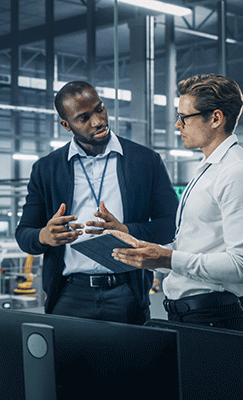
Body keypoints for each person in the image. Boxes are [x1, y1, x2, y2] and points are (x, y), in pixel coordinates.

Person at [111, 74, 243, 332]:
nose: (178, 125)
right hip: (188, 316)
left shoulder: (239, 172)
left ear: (216, 118)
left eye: (184, 117)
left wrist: (168, 259)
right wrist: (150, 252)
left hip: (212, 317)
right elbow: (197, 243)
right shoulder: (208, 168)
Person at [15, 81, 179, 325]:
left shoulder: (145, 161)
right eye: (83, 118)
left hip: (127, 293)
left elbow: (171, 224)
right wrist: (44, 236)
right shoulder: (46, 169)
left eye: (100, 109)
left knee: (130, 363)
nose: (98, 121)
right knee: (69, 364)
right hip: (69, 295)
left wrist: (128, 231)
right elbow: (23, 234)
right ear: (66, 125)